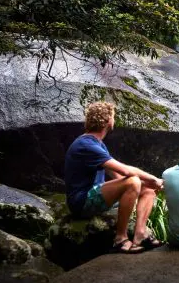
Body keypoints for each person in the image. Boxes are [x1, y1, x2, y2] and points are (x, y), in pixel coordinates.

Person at [64, 101, 163, 254]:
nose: (114, 120)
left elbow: (118, 176)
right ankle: (120, 238)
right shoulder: (85, 144)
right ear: (108, 120)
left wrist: (147, 185)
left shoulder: (97, 144)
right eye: (113, 116)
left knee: (147, 188)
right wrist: (154, 179)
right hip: (81, 202)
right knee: (135, 181)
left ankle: (140, 235)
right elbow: (125, 171)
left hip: (94, 196)